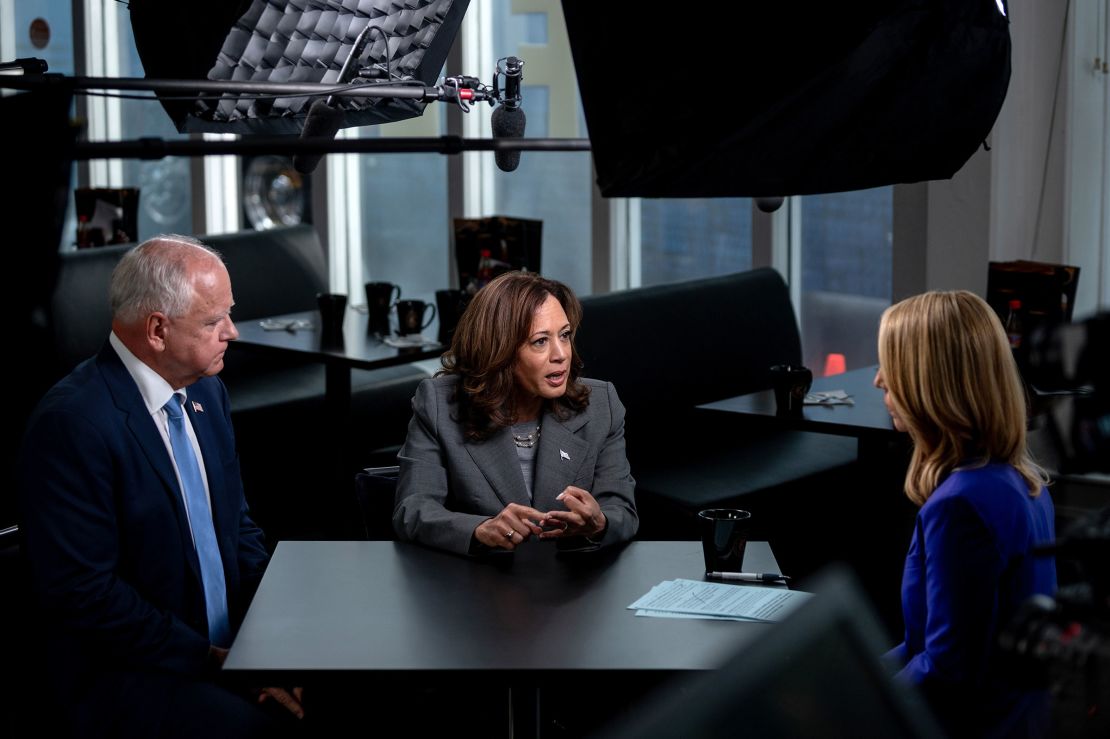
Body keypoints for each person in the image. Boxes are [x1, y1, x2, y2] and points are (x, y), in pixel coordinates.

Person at [18, 235, 303, 738]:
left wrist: (280, 639)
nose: (232, 333)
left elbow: (238, 529)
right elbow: (87, 594)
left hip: (228, 650)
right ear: (156, 330)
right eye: (214, 321)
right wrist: (215, 660)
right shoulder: (73, 423)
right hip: (134, 671)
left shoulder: (207, 392)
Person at [874, 290, 1056, 739]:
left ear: (927, 381)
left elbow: (945, 671)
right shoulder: (1024, 480)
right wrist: (858, 673)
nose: (879, 381)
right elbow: (930, 649)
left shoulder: (960, 506)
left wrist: (852, 703)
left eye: (891, 369)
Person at [393, 270, 638, 554]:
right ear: (500, 351)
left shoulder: (600, 404)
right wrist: (480, 528)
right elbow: (412, 510)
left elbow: (622, 511)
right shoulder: (437, 403)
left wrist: (599, 522)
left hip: (572, 582)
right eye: (540, 341)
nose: (561, 354)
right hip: (476, 583)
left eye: (565, 335)